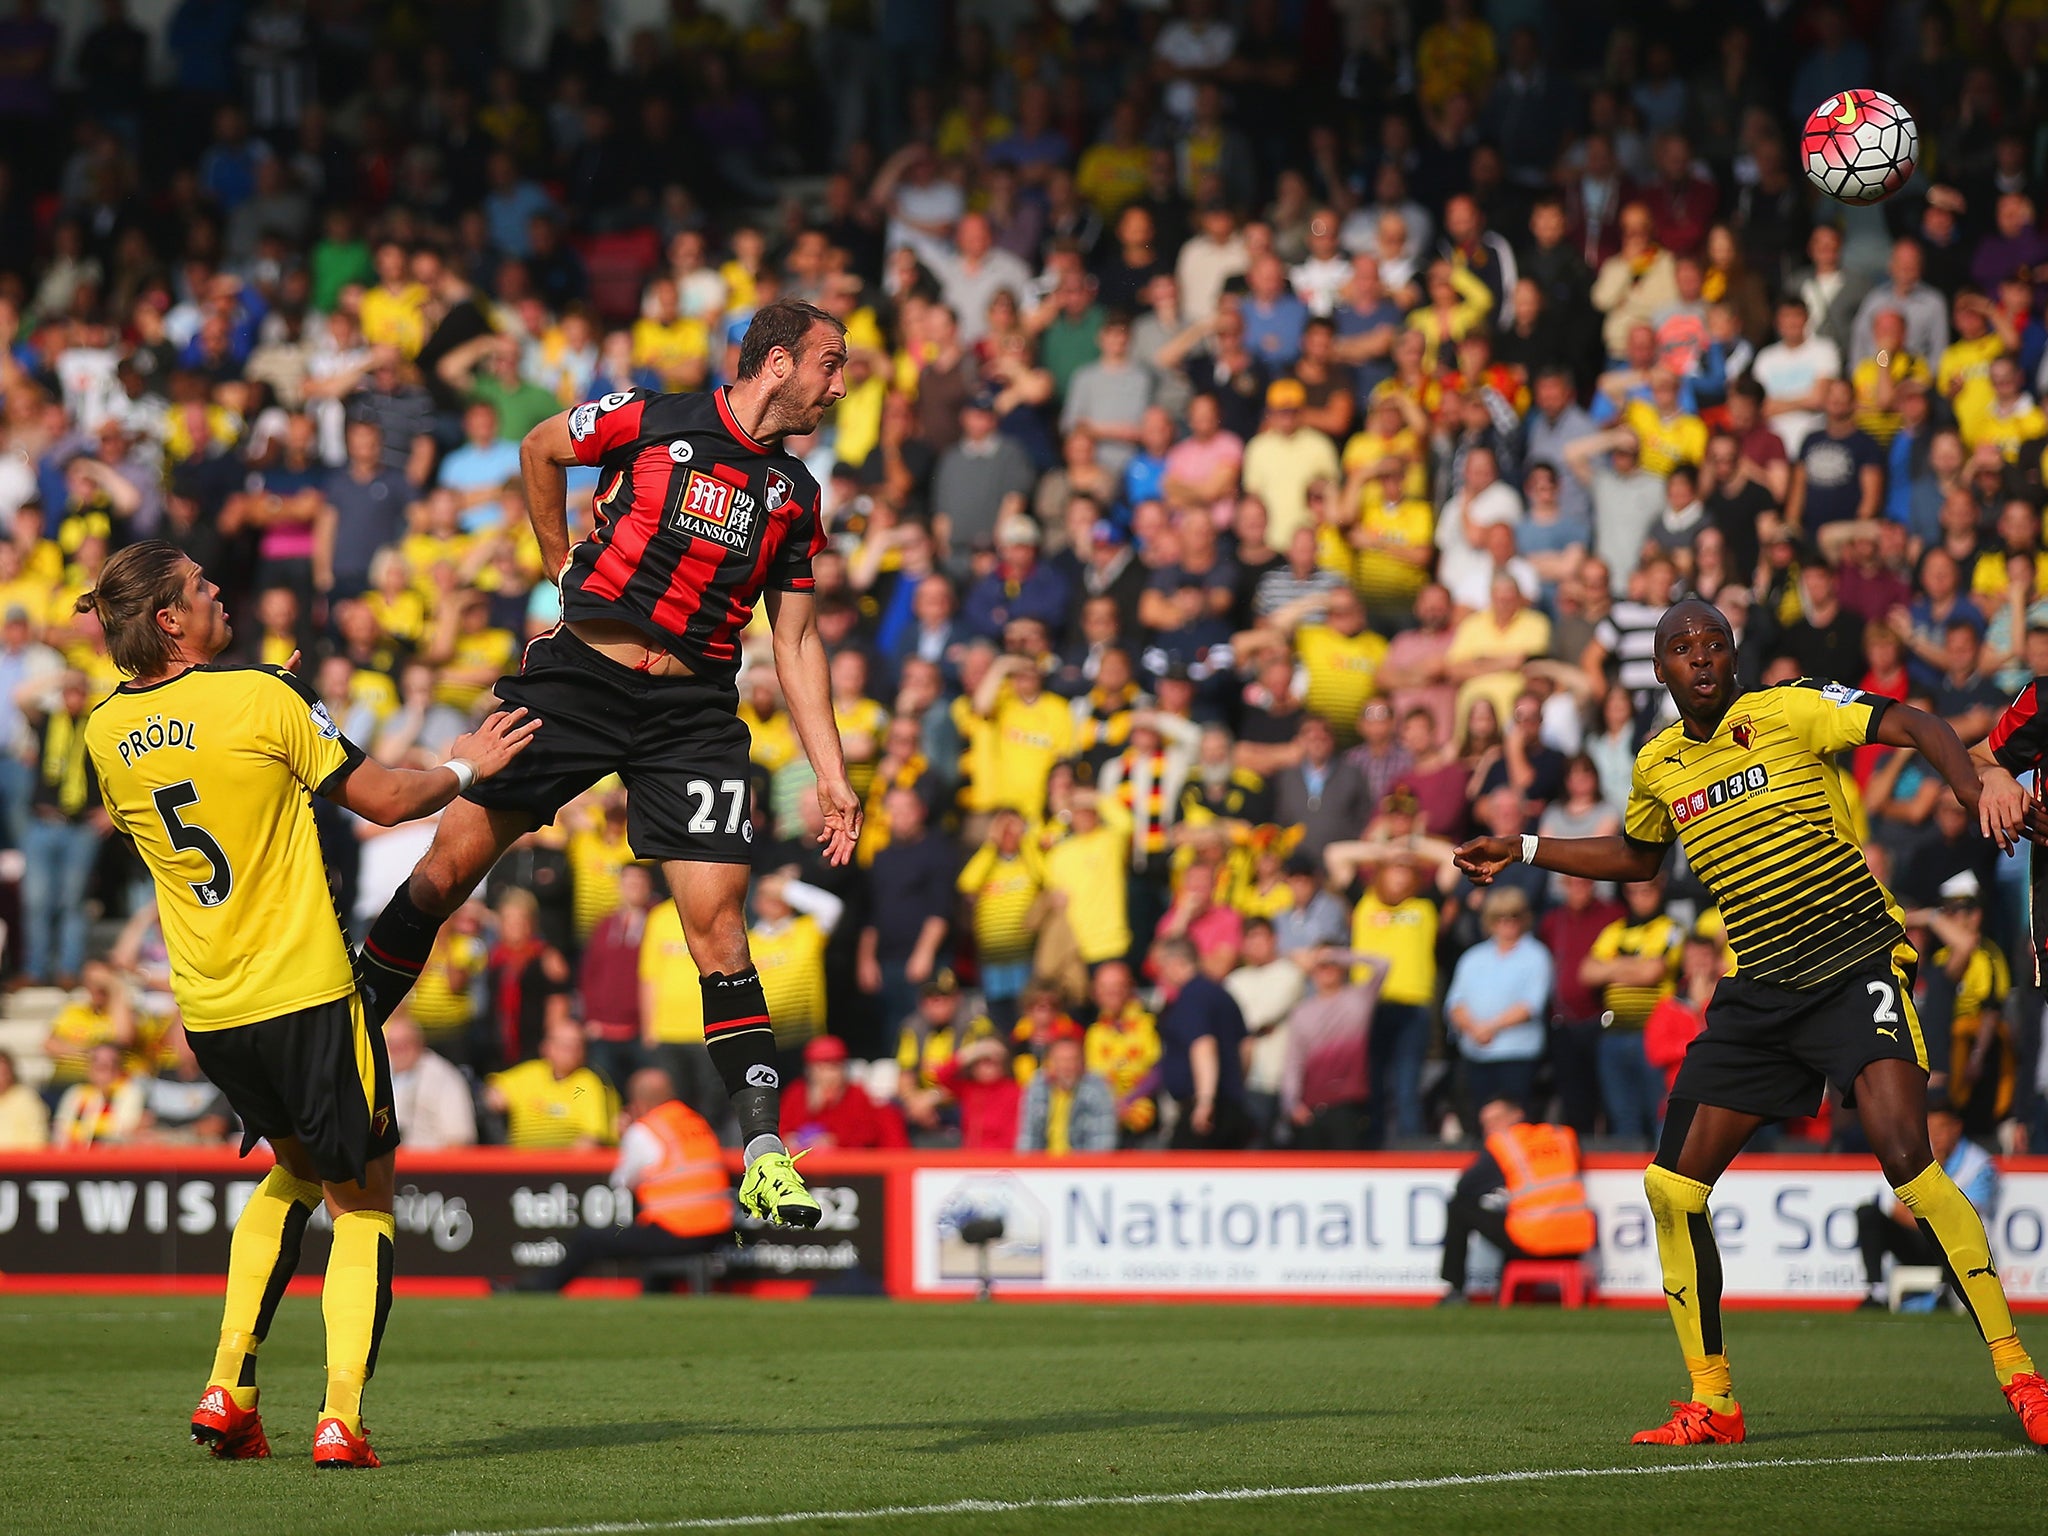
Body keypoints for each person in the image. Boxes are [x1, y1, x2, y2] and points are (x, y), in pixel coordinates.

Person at [1453, 597, 2047, 1447]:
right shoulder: (1658, 764)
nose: (1700, 658)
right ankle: (1714, 1401)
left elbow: (1913, 721)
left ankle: (2023, 1377)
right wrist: (1525, 847)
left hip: (1852, 963)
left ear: (1733, 658)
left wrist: (1973, 783)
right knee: (1670, 1187)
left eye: (1714, 644)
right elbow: (1638, 857)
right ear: (1657, 670)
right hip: (1761, 990)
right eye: (1682, 648)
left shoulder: (1787, 707)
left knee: (1909, 1162)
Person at [351, 299, 861, 1231]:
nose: (841, 383)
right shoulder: (654, 417)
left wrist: (831, 773)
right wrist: (558, 564)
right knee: (446, 869)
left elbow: (795, 641)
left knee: (719, 932)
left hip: (693, 714)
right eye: (831, 363)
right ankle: (338, 1057)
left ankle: (762, 1150)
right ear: (777, 362)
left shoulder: (795, 496)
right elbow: (542, 445)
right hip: (581, 679)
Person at [77, 541, 536, 1468]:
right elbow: (393, 802)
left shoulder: (99, 733)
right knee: (364, 1203)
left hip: (211, 1009)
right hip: (307, 996)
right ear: (170, 620)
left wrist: (276, 711)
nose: (219, 592)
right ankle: (339, 1420)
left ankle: (228, 1388)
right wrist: (467, 764)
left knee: (292, 1172)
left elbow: (197, 780)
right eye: (202, 587)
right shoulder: (261, 697)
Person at [512, 1069, 733, 1293]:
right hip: (718, 1230)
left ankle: (542, 1288)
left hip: (679, 1231)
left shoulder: (646, 1130)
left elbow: (621, 1182)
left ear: (638, 1102)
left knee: (588, 1240)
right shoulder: (695, 1120)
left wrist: (627, 1134)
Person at [1438, 1098, 1597, 1305]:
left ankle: (1455, 1290)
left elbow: (1465, 1188)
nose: (1489, 1128)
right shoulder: (1563, 1136)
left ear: (1517, 1115)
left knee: (1459, 1207)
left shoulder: (1504, 1144)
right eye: (1485, 1123)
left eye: (1495, 1120)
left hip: (1533, 1241)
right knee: (1513, 1215)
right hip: (1577, 1243)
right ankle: (1508, 1291)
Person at [1854, 1094, 1997, 1311]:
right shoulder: (1908, 1156)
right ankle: (1877, 1292)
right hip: (1918, 1237)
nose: (1935, 1137)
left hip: (1955, 1245)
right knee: (1868, 1214)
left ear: (1956, 1128)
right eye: (1930, 1128)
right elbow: (1891, 1207)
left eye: (1942, 1129)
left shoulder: (1978, 1165)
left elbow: (1968, 1215)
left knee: (1958, 1229)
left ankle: (1946, 1293)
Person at [1150, 936, 1250, 1148]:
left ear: (1176, 963)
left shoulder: (1191, 997)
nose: (1162, 974)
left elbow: (1203, 1044)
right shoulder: (1221, 993)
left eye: (1162, 967)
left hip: (1206, 1111)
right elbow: (1246, 1047)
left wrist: (1205, 1101)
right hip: (1231, 1105)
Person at [484, 1016, 621, 1149]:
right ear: (546, 1047)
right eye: (564, 1045)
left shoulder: (585, 1084)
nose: (571, 1051)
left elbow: (591, 1138)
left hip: (566, 1166)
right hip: (522, 1164)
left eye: (576, 1044)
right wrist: (494, 1099)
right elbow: (495, 1094)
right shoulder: (530, 1074)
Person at [383, 1010, 477, 1151]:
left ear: (420, 1043)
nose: (398, 1052)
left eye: (404, 1045)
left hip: (429, 1164)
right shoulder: (383, 1071)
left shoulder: (445, 1078)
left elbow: (459, 1139)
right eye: (392, 1046)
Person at [1015, 1022, 1117, 1152]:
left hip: (1082, 1168)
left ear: (1082, 1063)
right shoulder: (1037, 1086)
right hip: (1042, 1167)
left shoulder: (1097, 1090)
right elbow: (1027, 1138)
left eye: (1072, 1060)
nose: (1067, 1067)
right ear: (1050, 1063)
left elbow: (1102, 1145)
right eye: (1061, 1060)